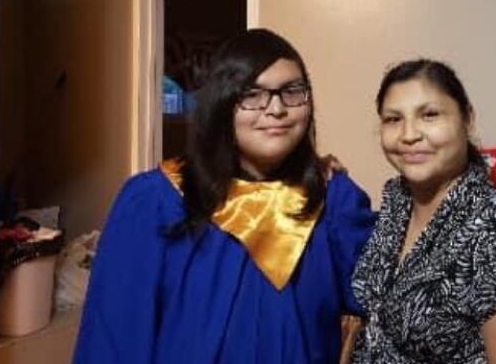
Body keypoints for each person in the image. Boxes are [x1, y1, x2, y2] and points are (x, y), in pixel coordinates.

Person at [73, 28, 376, 364]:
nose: (276, 109)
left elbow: (391, 299)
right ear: (222, 104)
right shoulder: (154, 201)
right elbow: (113, 336)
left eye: (292, 91)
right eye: (252, 94)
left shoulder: (335, 200)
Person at [351, 59, 496, 363]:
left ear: (467, 118)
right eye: (393, 119)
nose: (409, 134)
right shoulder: (396, 205)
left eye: (430, 115)